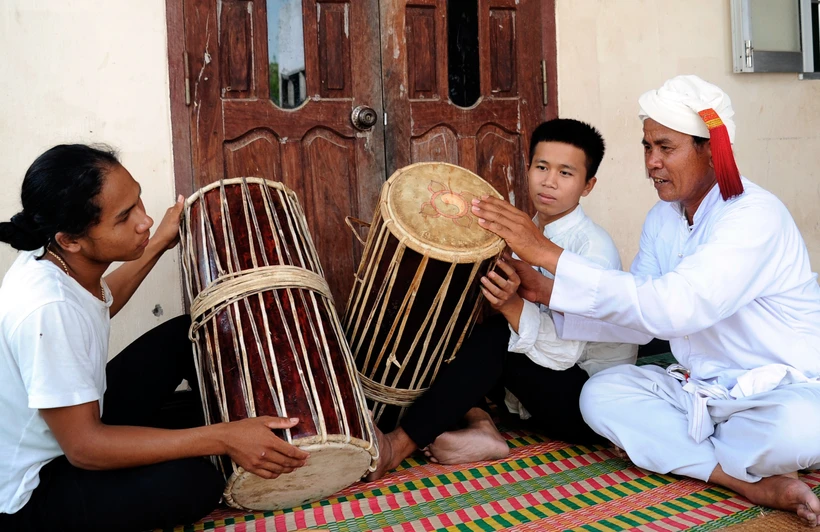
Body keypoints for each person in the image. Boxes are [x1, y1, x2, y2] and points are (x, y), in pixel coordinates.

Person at [470, 75, 820, 525]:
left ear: (710, 150)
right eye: (646, 147)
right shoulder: (664, 217)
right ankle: (744, 478)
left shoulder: (755, 216)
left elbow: (676, 307)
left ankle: (706, 455)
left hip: (785, 389)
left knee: (800, 426)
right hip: (704, 392)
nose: (651, 162)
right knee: (601, 395)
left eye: (665, 147)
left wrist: (547, 255)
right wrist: (550, 292)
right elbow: (641, 322)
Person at [0, 144, 310, 532]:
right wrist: (219, 439)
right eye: (124, 217)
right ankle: (232, 438)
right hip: (37, 487)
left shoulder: (47, 255)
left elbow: (97, 304)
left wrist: (160, 242)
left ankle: (258, 433)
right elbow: (84, 448)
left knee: (189, 334)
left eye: (138, 201)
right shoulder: (46, 307)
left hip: (73, 423)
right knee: (196, 483)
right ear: (71, 239)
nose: (144, 220)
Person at [367, 119, 637, 480]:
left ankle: (397, 446)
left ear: (588, 186)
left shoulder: (592, 249)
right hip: (540, 390)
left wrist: (511, 306)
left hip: (587, 406)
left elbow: (565, 355)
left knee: (497, 334)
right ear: (527, 169)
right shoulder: (527, 229)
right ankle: (482, 427)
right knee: (459, 320)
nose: (549, 181)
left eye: (566, 173)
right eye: (541, 167)